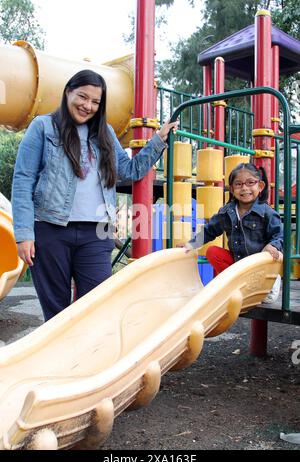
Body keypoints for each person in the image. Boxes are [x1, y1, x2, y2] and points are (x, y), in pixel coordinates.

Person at [12, 69, 177, 321]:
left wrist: (158, 140)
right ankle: (63, 360)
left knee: (97, 307)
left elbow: (129, 170)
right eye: (82, 96)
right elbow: (23, 179)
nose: (88, 105)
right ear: (68, 92)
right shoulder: (43, 127)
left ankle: (91, 359)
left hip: (97, 233)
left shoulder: (105, 133)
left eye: (95, 102)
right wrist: (24, 234)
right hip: (51, 229)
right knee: (57, 313)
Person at [184, 163, 283, 303]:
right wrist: (191, 244)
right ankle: (236, 287)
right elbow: (210, 230)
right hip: (239, 266)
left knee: (274, 254)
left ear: (260, 186)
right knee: (212, 252)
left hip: (261, 269)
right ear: (232, 189)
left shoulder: (267, 213)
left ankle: (269, 284)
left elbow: (279, 235)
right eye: (238, 184)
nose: (244, 188)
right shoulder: (226, 212)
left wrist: (273, 245)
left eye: (250, 183)